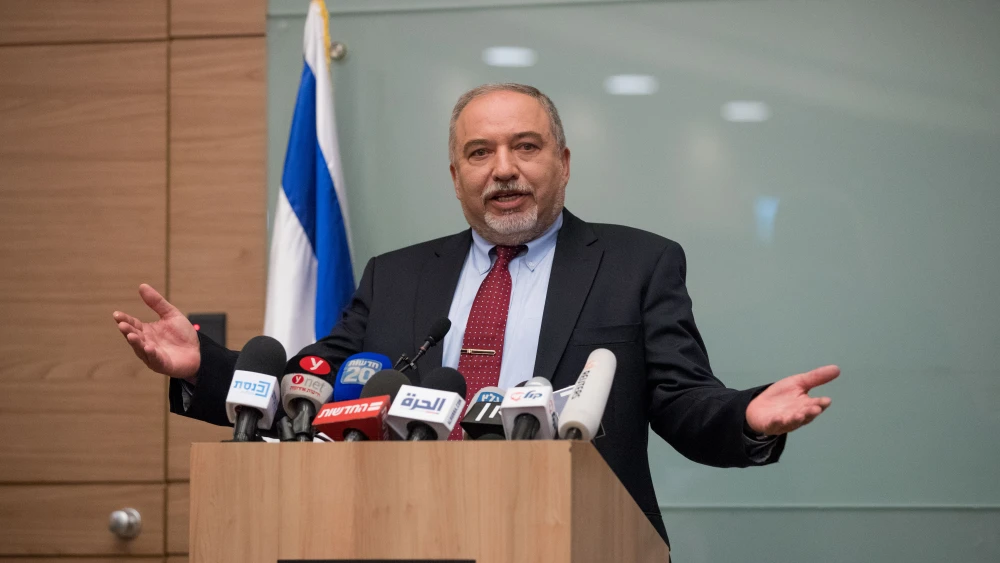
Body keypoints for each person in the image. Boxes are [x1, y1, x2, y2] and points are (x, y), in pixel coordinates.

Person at [113, 83, 838, 546]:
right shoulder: (395, 275)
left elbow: (683, 403)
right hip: (405, 537)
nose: (504, 168)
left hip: (583, 543)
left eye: (526, 147)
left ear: (561, 160)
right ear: (456, 175)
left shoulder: (637, 263)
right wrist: (204, 366)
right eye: (479, 151)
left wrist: (747, 415)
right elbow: (315, 381)